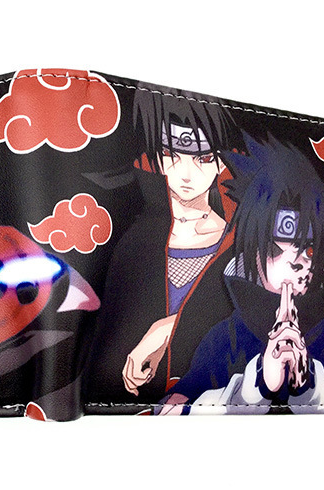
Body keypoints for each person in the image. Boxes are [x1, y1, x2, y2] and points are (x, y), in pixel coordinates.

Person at [155, 137, 324, 414]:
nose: (295, 263)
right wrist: (257, 386)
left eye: (309, 250)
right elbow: (176, 408)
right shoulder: (224, 341)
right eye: (276, 250)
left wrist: (309, 385)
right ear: (252, 254)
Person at [86, 90, 244, 403]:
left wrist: (168, 328)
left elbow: (250, 317)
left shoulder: (237, 240)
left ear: (221, 162)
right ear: (155, 157)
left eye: (203, 158)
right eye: (172, 154)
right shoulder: (135, 240)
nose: (186, 174)